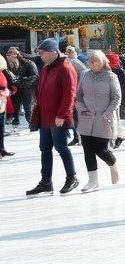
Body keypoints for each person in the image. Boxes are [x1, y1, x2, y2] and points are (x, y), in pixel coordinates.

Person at [25, 39, 80, 197]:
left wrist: (62, 115)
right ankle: (46, 182)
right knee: (44, 149)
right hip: (45, 117)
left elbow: (70, 94)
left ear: (53, 52)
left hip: (58, 117)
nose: (40, 55)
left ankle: (72, 177)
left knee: (61, 147)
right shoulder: (46, 68)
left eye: (42, 53)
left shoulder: (65, 67)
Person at [74, 50, 122, 193]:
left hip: (104, 118)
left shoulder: (111, 77)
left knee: (100, 149)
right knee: (87, 149)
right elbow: (78, 95)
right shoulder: (85, 75)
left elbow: (116, 98)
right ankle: (93, 181)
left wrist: (107, 113)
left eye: (96, 60)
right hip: (86, 117)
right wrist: (81, 107)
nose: (93, 62)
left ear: (103, 62)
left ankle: (113, 163)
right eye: (90, 60)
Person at [6, 45, 38, 128]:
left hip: (26, 89)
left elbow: (35, 77)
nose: (9, 54)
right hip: (14, 89)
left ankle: (31, 123)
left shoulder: (29, 63)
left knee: (27, 108)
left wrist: (21, 80)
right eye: (8, 52)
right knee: (15, 106)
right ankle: (16, 119)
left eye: (12, 52)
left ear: (18, 54)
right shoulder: (7, 64)